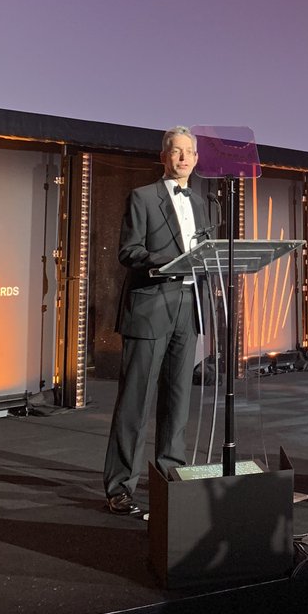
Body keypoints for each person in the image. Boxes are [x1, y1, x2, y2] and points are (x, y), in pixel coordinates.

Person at [103, 127, 211, 516]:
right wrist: (169, 263)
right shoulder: (143, 197)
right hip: (150, 306)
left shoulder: (201, 202)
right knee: (136, 400)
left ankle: (170, 475)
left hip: (188, 306)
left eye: (189, 152)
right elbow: (129, 251)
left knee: (178, 399)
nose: (183, 158)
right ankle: (120, 486)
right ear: (163, 157)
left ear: (196, 158)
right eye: (175, 151)